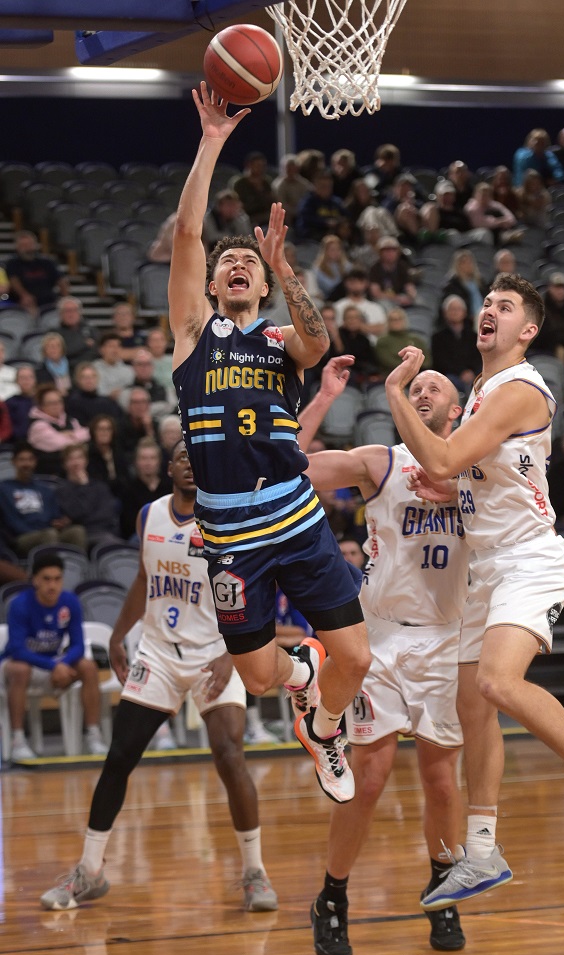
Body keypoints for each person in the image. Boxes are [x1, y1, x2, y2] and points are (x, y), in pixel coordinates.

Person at [384, 272, 564, 909]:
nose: (490, 310)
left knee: (496, 682)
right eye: (486, 302)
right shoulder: (483, 390)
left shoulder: (519, 387)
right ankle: (484, 851)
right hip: (484, 567)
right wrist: (453, 488)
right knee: (473, 710)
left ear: (529, 330)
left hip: (527, 561)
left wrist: (396, 395)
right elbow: (464, 470)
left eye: (505, 306)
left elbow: (439, 457)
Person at [168, 85, 371, 803]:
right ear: (215, 284)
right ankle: (303, 681)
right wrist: (213, 140)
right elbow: (190, 237)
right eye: (229, 264)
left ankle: (323, 730)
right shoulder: (193, 338)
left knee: (358, 655)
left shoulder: (281, 340)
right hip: (229, 532)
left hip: (294, 513)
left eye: (245, 263)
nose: (235, 266)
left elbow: (318, 343)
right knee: (258, 678)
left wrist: (285, 268)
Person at [39, 439, 278, 912]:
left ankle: (255, 872)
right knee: (120, 756)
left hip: (216, 651)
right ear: (168, 468)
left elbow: (257, 587)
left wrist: (237, 651)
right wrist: (117, 633)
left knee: (229, 753)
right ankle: (89, 870)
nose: (191, 463)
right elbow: (147, 579)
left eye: (198, 457)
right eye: (182, 457)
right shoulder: (149, 515)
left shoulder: (227, 518)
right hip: (160, 654)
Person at [299, 362, 469, 955]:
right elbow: (289, 467)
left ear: (458, 411)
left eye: (436, 387)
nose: (422, 391)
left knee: (442, 781)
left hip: (451, 641)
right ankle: (332, 896)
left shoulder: (481, 470)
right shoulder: (382, 461)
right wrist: (321, 398)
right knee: (368, 780)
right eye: (415, 386)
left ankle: (443, 891)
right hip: (384, 639)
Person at [3, 551, 106, 761]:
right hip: (19, 665)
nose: (52, 585)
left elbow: (78, 644)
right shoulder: (19, 604)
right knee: (20, 669)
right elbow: (17, 649)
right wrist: (54, 665)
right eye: (46, 579)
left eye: (57, 579)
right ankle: (18, 740)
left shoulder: (70, 602)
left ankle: (93, 736)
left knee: (88, 666)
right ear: (35, 581)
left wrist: (63, 664)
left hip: (53, 663)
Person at [0, 441, 87, 555]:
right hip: (22, 537)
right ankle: (50, 571)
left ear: (35, 462)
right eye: (22, 460)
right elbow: (11, 521)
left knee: (77, 531)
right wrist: (41, 530)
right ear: (14, 462)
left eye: (30, 459)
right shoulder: (4, 489)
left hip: (48, 531)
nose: (26, 464)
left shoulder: (44, 489)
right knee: (49, 534)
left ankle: (76, 571)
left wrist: (61, 522)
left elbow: (55, 515)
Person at [56, 443, 122, 550]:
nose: (76, 463)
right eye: (71, 459)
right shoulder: (61, 491)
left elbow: (107, 515)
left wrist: (81, 518)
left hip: (104, 532)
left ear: (86, 461)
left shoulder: (100, 487)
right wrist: (84, 486)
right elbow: (75, 513)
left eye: (79, 458)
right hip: (82, 536)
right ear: (64, 464)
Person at [27, 383, 90, 476]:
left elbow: (88, 433)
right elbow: (59, 443)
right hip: (50, 474)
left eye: (59, 401)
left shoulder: (70, 420)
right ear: (41, 406)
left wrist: (70, 435)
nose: (56, 405)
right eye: (51, 403)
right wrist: (75, 437)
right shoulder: (37, 426)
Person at [6, 230, 69, 314]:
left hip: (48, 301)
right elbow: (14, 280)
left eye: (29, 245)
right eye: (23, 245)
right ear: (17, 247)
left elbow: (61, 280)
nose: (27, 248)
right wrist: (24, 296)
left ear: (35, 245)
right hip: (22, 302)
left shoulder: (46, 262)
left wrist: (66, 298)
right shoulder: (12, 263)